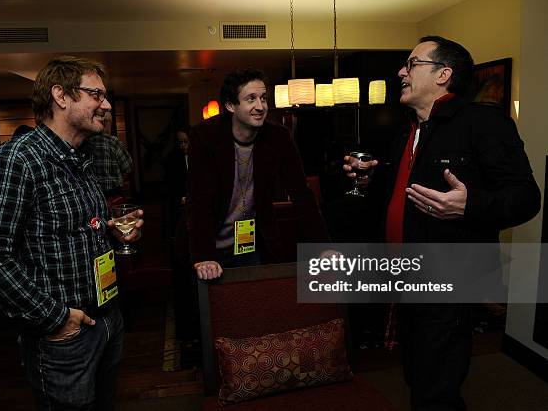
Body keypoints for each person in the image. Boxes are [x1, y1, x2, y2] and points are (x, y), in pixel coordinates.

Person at [345, 36, 540, 410]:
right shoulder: (409, 129)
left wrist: (471, 205)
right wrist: (369, 179)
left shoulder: (483, 122)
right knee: (416, 373)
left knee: (436, 388)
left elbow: (527, 197)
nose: (401, 71)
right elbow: (401, 193)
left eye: (412, 63)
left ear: (443, 74)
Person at [0, 56, 144, 410]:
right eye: (96, 94)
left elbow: (74, 230)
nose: (105, 105)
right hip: (64, 336)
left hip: (107, 319)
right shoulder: (17, 161)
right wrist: (56, 318)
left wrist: (114, 233)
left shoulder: (80, 157)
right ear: (61, 96)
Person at [187, 67, 329, 280]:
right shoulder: (205, 136)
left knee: (256, 307)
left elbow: (302, 194)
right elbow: (199, 201)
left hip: (252, 244)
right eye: (251, 99)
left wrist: (322, 247)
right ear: (230, 105)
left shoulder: (278, 137)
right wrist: (205, 256)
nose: (260, 106)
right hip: (210, 247)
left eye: (263, 98)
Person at [85, 111, 133, 200]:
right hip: (114, 192)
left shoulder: (85, 142)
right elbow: (128, 166)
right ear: (106, 123)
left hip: (92, 193)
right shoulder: (112, 141)